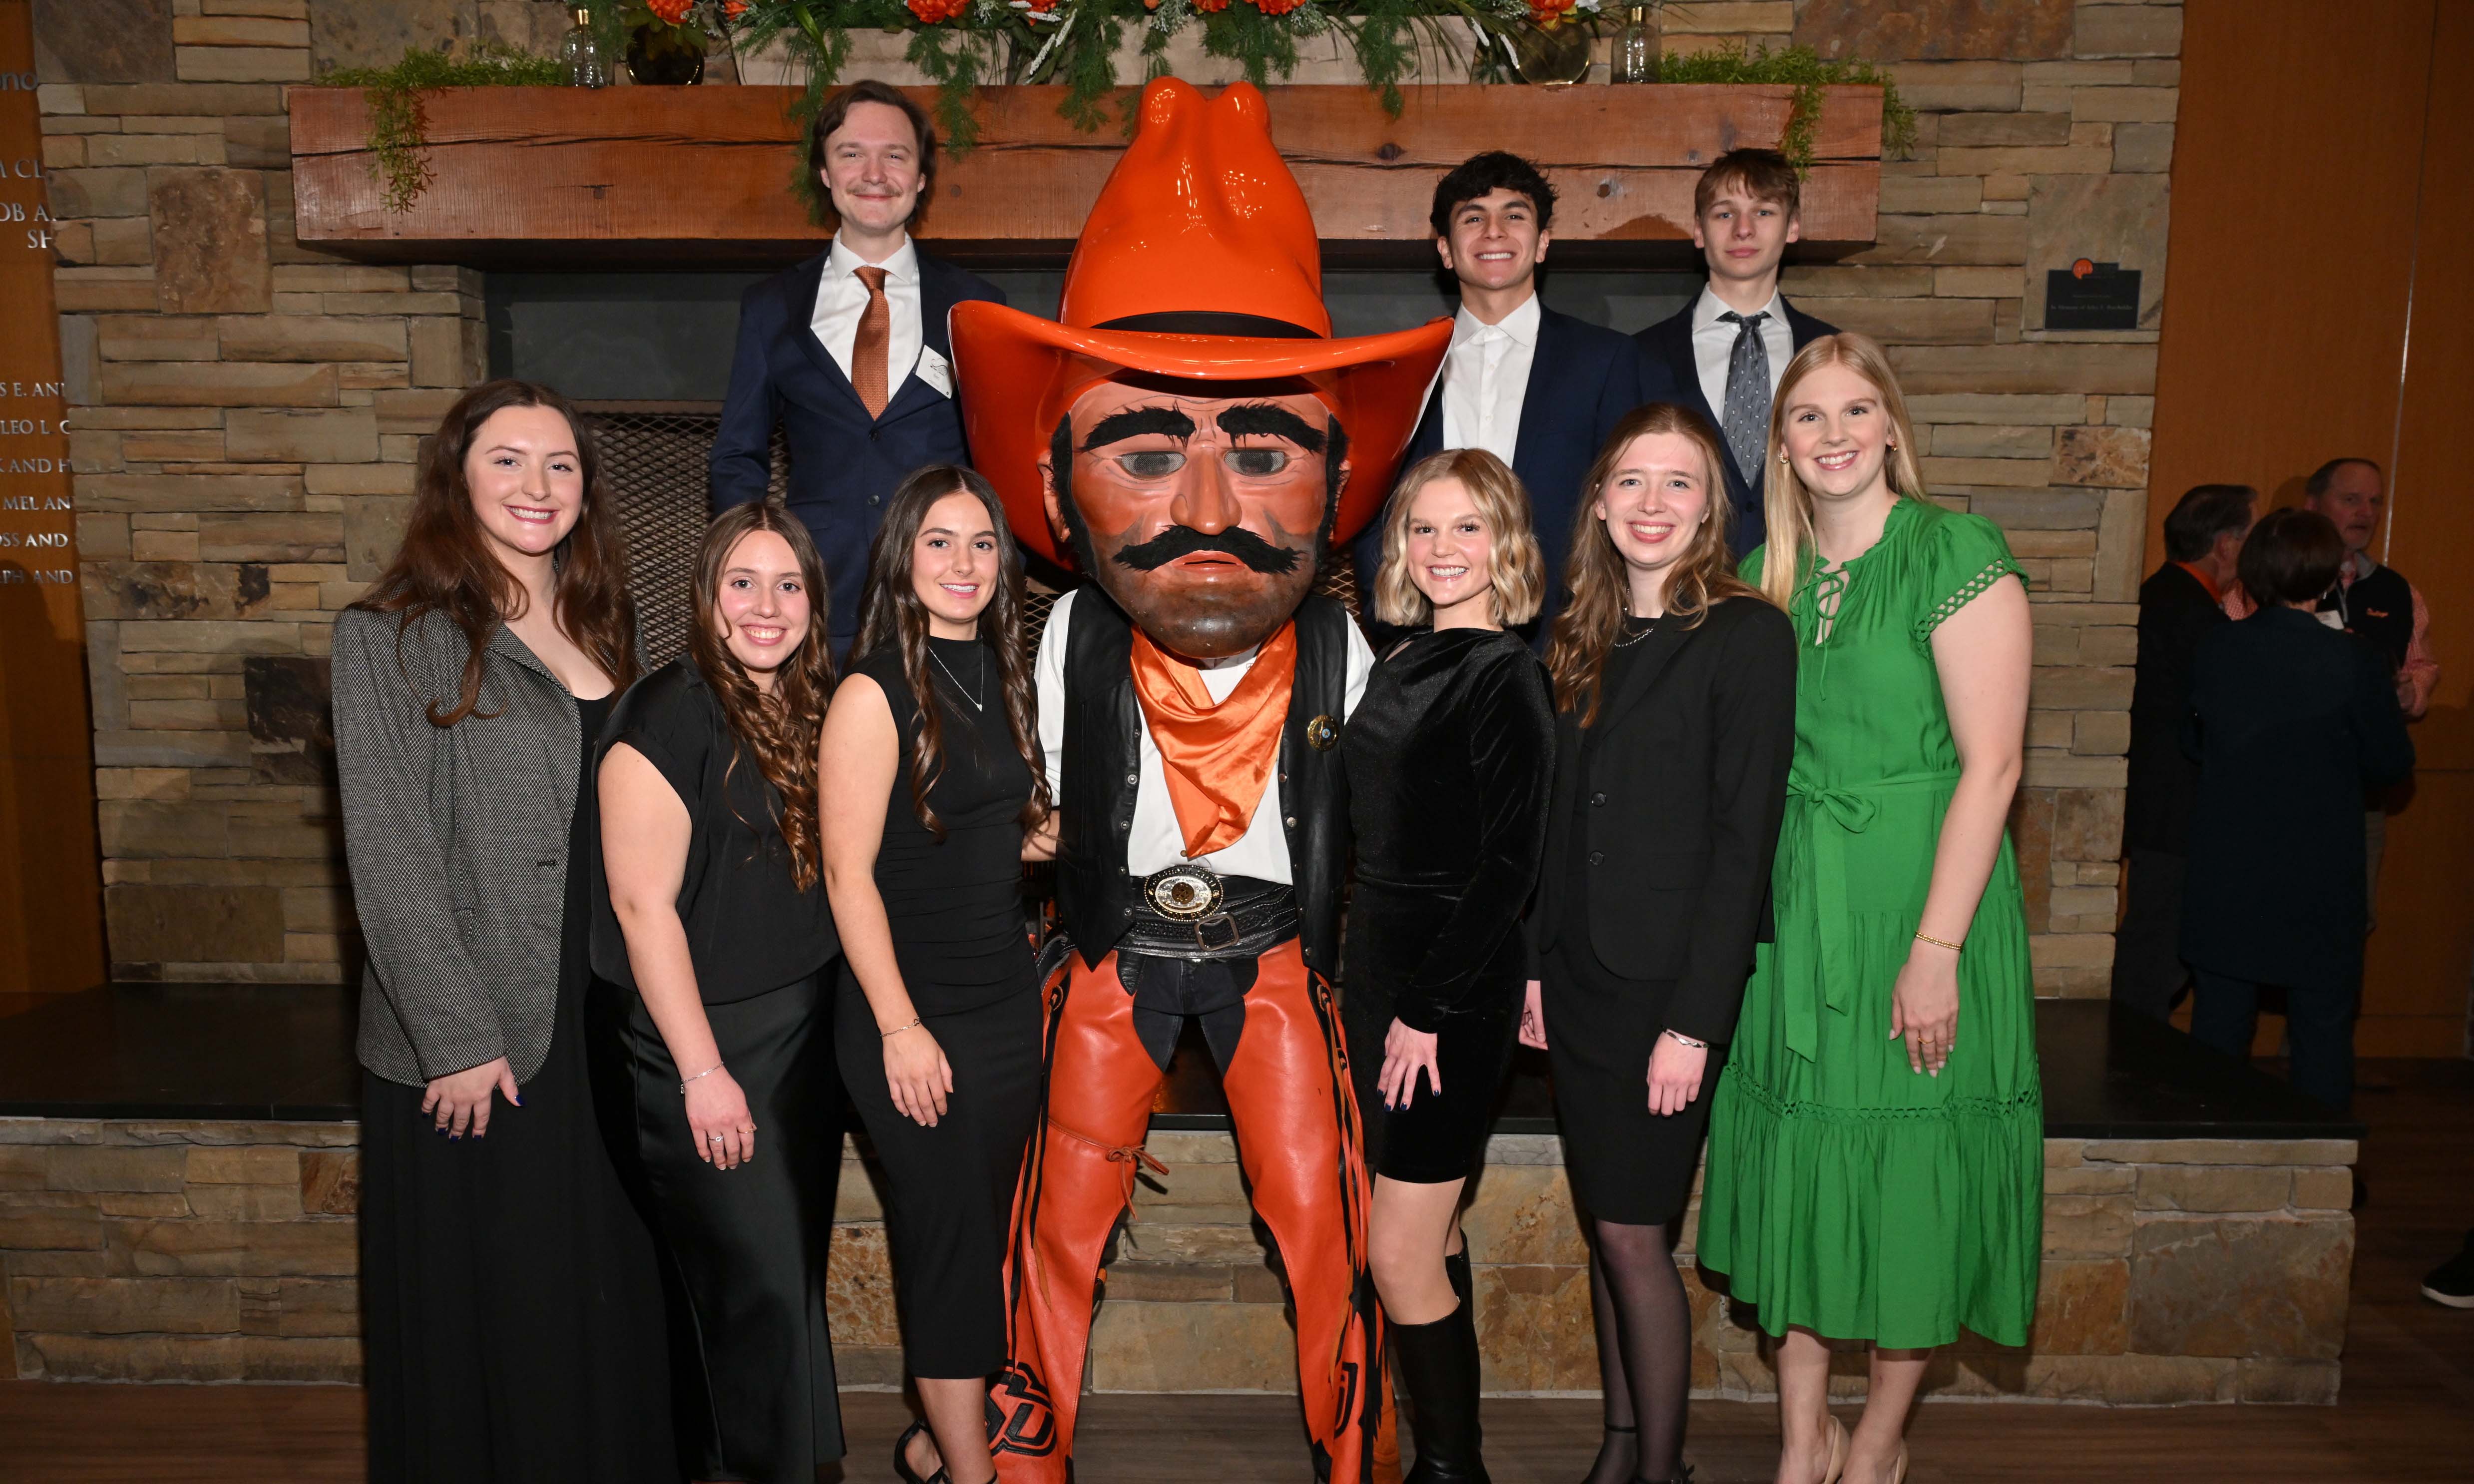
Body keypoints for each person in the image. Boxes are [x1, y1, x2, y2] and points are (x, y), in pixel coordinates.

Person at [946, 77, 1454, 1484]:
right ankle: (1016, 1461)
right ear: (1055, 491)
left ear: (1340, 480)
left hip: (1278, 953)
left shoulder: (1361, 654)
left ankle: (1357, 1460)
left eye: (1266, 448)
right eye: (1151, 447)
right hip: (1114, 950)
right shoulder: (1056, 639)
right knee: (1053, 1220)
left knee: (1322, 1218)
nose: (1214, 509)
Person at [1697, 334, 2042, 1484]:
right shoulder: (1763, 569)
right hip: (1797, 909)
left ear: (1889, 425)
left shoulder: (1953, 550)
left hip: (1918, 893)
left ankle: (1877, 1447)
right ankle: (1802, 1439)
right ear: (1778, 442)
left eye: (1854, 410)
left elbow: (1992, 766)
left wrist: (1933, 949)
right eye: (1806, 416)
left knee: (1908, 1181)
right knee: (1799, 1162)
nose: (1832, 434)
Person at [332, 379, 673, 1484]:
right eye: (509, 461)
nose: (539, 486)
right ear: (457, 478)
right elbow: (387, 853)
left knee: (594, 1286)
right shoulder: (390, 636)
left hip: (596, 1015)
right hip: (480, 1033)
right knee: (492, 1305)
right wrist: (454, 1034)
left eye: (561, 464)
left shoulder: (602, 624)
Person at [1522, 403, 1795, 1484]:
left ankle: (1660, 1470)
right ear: (1596, 500)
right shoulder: (1577, 632)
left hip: (1664, 990)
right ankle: (1621, 1442)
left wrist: (1695, 1019)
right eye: (1630, 481)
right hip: (1581, 977)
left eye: (1676, 483)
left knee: (1636, 1235)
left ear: (1709, 508)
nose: (1650, 503)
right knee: (1610, 1223)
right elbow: (1555, 821)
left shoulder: (1742, 633)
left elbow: (1744, 841)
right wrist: (1536, 965)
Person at [597, 502, 844, 1484]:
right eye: (743, 582)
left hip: (797, 1040)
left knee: (786, 1281)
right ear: (706, 595)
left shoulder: (811, 703)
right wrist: (701, 1073)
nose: (766, 605)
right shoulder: (665, 711)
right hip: (699, 1045)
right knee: (749, 1299)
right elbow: (640, 904)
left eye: (789, 585)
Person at [818, 466, 1049, 1484]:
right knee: (952, 1249)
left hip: (1002, 1003)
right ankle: (973, 1473)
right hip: (909, 1014)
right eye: (940, 543)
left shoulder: (999, 673)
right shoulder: (873, 689)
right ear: (903, 560)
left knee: (972, 1237)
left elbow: (1006, 831)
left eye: (982, 544)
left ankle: (926, 1443)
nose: (964, 565)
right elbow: (846, 873)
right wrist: (900, 1027)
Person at [1341, 448, 1555, 1484]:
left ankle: (1450, 1470)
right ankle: (1445, 1457)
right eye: (1422, 528)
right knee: (1431, 1227)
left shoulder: (1503, 671)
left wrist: (1426, 1005)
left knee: (1397, 1252)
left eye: (1465, 527)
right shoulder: (1398, 659)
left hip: (1447, 992)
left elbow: (1509, 860)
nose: (1440, 549)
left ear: (1504, 543)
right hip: (1383, 975)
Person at [711, 80, 1008, 655]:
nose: (874, 173)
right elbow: (736, 454)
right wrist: (757, 560)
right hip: (817, 604)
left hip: (944, 602)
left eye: (895, 155)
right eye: (851, 153)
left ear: (921, 178)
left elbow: (1004, 452)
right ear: (825, 171)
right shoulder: (772, 305)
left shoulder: (977, 304)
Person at [1348, 151, 1647, 639]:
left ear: (1542, 242)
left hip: (1569, 640)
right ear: (1445, 250)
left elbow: (1626, 496)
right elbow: (1371, 509)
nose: (1493, 232)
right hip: (1426, 637)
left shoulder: (1607, 360)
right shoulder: (1398, 367)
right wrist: (1395, 627)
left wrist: (1596, 623)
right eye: (1473, 218)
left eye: (1514, 215)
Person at [2179, 508, 2414, 1113]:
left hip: (2228, 866)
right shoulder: (2355, 661)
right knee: (2322, 1030)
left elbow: (2191, 744)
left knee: (2219, 1026)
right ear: (2328, 574)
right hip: (2318, 871)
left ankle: (2206, 1163)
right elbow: (2390, 762)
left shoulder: (2216, 647)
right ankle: (2320, 1179)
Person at [1636, 148, 1839, 557]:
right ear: (1699, 231)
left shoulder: (1831, 352)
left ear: (1793, 226)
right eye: (1724, 214)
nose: (1743, 230)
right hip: (1679, 592)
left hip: (1809, 588)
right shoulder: (1639, 355)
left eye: (1763, 213)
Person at [2112, 483, 2254, 1020]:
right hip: (2176, 807)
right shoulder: (2194, 616)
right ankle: (2130, 1065)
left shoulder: (2164, 596)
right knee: (2158, 946)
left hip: (2161, 802)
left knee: (2158, 939)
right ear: (2225, 545)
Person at [2301, 456, 2439, 927]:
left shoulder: (2399, 591)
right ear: (2313, 506)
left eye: (2375, 502)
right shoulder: (2277, 581)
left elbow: (2422, 665)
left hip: (2361, 795)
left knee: (2349, 923)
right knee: (2275, 927)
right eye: (2351, 499)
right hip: (2287, 786)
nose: (2366, 512)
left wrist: (2409, 694)